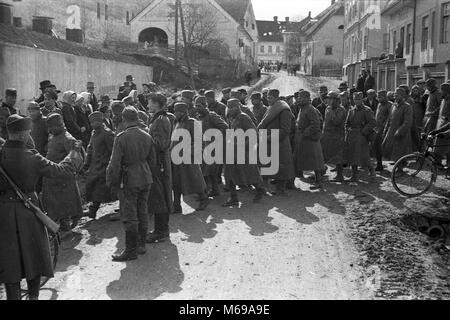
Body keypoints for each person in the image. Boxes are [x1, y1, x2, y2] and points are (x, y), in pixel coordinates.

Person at [0, 114, 84, 300]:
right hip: (29, 211)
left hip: (3, 216)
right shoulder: (31, 156)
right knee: (35, 260)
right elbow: (64, 171)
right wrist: (74, 153)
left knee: (10, 263)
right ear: (23, 134)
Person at [106, 107, 154, 262]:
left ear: (124, 119)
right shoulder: (147, 135)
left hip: (129, 179)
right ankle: (141, 245)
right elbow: (153, 160)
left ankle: (130, 251)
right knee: (143, 210)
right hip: (145, 176)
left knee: (130, 214)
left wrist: (112, 182)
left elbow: (114, 164)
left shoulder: (121, 138)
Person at [41, 113, 84, 237]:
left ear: (60, 125)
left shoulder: (68, 139)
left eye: (51, 127)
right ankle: (61, 225)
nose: (49, 130)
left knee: (63, 203)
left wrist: (67, 172)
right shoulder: (54, 136)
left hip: (63, 179)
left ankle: (66, 228)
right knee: (55, 203)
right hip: (53, 178)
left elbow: (76, 158)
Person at [223, 99, 265, 206]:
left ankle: (260, 190)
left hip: (244, 150)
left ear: (238, 107)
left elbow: (253, 133)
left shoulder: (244, 117)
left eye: (233, 107)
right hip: (233, 150)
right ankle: (233, 197)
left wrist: (245, 147)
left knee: (250, 172)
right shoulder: (232, 118)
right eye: (229, 107)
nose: (231, 109)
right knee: (230, 173)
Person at [145, 93, 174, 244]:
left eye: (150, 103)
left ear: (157, 104)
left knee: (160, 196)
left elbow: (160, 144)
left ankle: (161, 231)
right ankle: (160, 229)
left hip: (159, 164)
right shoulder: (158, 119)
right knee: (159, 196)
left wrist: (145, 140)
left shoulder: (161, 120)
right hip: (158, 163)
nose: (148, 105)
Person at [171, 102, 209, 213]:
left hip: (189, 157)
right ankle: (177, 205)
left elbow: (199, 142)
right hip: (176, 157)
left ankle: (204, 199)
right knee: (176, 182)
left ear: (184, 112)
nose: (175, 114)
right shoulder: (176, 123)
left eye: (177, 111)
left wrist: (187, 151)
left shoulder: (192, 123)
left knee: (195, 179)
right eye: (175, 111)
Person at [258, 89, 296, 194]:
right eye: (267, 97)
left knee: (281, 167)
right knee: (266, 165)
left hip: (280, 143)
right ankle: (265, 188)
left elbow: (285, 130)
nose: (268, 100)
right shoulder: (271, 108)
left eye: (270, 98)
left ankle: (281, 190)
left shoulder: (284, 110)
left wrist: (268, 137)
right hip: (269, 142)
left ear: (276, 98)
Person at [195, 96, 229, 198]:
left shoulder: (212, 115)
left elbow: (225, 127)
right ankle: (214, 190)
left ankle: (206, 193)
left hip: (214, 148)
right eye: (196, 105)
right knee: (210, 172)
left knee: (209, 171)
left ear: (206, 106)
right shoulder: (198, 117)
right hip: (204, 148)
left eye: (199, 106)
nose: (197, 108)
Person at [83, 112, 115, 220]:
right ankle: (92, 208)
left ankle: (93, 210)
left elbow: (113, 151)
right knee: (93, 187)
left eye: (95, 121)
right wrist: (86, 164)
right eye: (91, 122)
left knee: (99, 189)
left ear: (101, 121)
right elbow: (90, 149)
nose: (93, 124)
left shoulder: (107, 134)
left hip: (104, 166)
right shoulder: (94, 133)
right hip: (95, 165)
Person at [293, 90, 325, 190]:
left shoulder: (310, 109)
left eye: (301, 98)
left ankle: (319, 182)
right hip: (304, 139)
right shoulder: (303, 108)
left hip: (310, 139)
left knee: (315, 161)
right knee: (308, 160)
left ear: (307, 99)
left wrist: (305, 133)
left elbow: (315, 124)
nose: (299, 99)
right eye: (298, 98)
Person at [344, 92, 377, 182]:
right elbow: (347, 123)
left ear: (362, 100)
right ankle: (354, 175)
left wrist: (363, 131)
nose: (356, 101)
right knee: (352, 156)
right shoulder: (351, 110)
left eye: (358, 99)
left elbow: (373, 122)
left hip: (362, 136)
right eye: (355, 99)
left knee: (364, 156)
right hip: (352, 136)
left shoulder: (367, 110)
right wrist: (348, 129)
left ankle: (372, 171)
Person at [382, 87, 413, 168]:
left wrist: (400, 131)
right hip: (391, 130)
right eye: (394, 95)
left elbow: (408, 122)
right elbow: (389, 119)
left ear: (402, 96)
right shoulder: (393, 106)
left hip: (402, 133)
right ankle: (398, 165)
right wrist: (386, 130)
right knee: (393, 150)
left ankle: (400, 169)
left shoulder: (407, 107)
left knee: (400, 151)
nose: (395, 97)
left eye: (397, 95)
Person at [321, 91, 347, 182]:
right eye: (328, 99)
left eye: (331, 99)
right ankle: (321, 172)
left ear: (336, 100)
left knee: (337, 156)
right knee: (324, 154)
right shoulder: (328, 108)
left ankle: (340, 176)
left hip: (337, 136)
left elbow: (337, 122)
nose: (329, 101)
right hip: (327, 135)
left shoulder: (341, 109)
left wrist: (332, 111)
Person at [373, 90, 392, 172]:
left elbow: (389, 118)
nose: (379, 99)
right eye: (378, 97)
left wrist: (385, 128)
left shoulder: (390, 105)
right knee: (376, 147)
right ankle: (379, 164)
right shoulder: (379, 104)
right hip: (377, 128)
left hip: (385, 129)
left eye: (381, 97)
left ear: (385, 97)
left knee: (384, 147)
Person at [433, 83, 450, 166]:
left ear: (446, 91)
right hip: (441, 123)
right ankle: (438, 162)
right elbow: (440, 109)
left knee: (447, 146)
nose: (440, 92)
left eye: (442, 90)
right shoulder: (444, 99)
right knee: (438, 145)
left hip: (447, 124)